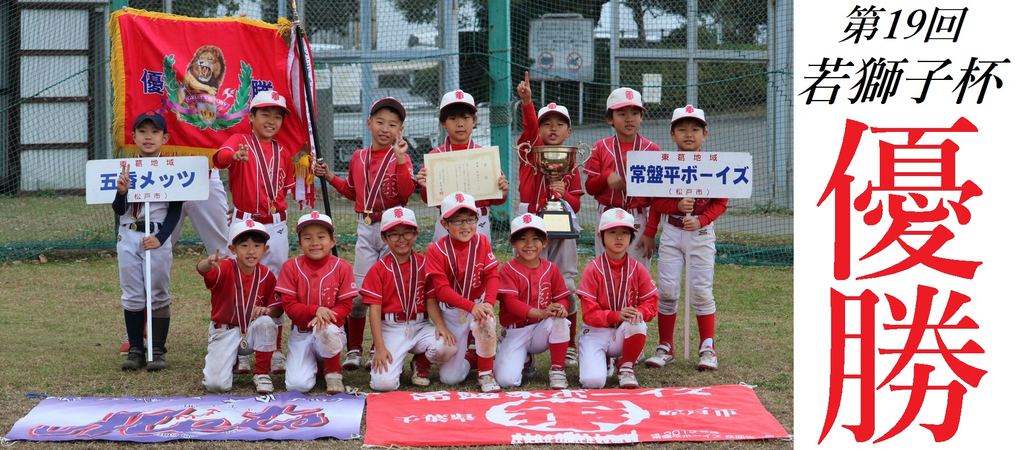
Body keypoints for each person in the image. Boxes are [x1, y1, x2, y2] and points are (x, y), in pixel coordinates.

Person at [314, 97, 417, 372]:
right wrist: (329, 176)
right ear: (369, 123)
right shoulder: (358, 157)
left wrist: (401, 158)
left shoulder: (401, 157)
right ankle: (355, 347)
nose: (385, 129)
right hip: (365, 226)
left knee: (386, 292)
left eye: (393, 124)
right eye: (380, 122)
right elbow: (352, 191)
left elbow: (407, 192)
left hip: (392, 230)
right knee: (358, 293)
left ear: (400, 130)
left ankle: (376, 348)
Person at [212, 89, 295, 374]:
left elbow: (284, 190)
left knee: (276, 283)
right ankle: (241, 346)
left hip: (276, 224)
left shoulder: (283, 153)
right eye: (265, 114)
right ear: (251, 117)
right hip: (245, 223)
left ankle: (275, 347)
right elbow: (221, 157)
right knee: (239, 281)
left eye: (277, 116)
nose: (271, 121)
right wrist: (234, 156)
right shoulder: (241, 140)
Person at [640, 105, 727, 371]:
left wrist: (701, 220)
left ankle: (707, 348)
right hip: (672, 232)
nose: (689, 134)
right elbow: (656, 202)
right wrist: (671, 212)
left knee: (701, 291)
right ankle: (665, 347)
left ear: (705, 134)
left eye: (695, 129)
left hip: (700, 234)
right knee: (667, 290)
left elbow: (721, 202)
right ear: (672, 134)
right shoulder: (664, 164)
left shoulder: (715, 166)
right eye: (682, 129)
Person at [515, 71, 585, 367]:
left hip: (561, 224)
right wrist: (527, 103)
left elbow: (577, 203)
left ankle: (568, 343)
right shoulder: (530, 150)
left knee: (565, 283)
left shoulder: (570, 161)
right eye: (547, 123)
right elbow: (529, 125)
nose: (552, 128)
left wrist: (564, 194)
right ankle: (525, 348)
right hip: (531, 222)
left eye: (559, 124)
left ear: (569, 132)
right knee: (526, 284)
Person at [114, 110, 183, 372]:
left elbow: (175, 209)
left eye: (155, 131)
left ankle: (157, 350)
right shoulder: (123, 168)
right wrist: (122, 192)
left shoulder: (172, 168)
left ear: (165, 138)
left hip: (156, 236)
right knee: (132, 294)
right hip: (128, 233)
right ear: (133, 137)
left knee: (158, 293)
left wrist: (161, 239)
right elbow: (119, 209)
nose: (148, 137)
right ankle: (136, 349)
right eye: (142, 131)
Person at [361, 207, 457, 391]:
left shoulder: (424, 263)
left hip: (420, 325)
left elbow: (430, 300)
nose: (401, 239)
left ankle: (420, 362)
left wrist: (440, 325)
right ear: (384, 238)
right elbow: (374, 310)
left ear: (416, 234)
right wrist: (379, 346)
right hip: (392, 327)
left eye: (407, 233)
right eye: (394, 234)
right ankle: (393, 366)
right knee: (383, 384)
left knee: (448, 345)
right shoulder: (378, 269)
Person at [423, 192, 501, 392]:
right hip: (451, 312)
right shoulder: (435, 250)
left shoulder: (482, 241)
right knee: (450, 379)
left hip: (478, 306)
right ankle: (473, 356)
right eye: (457, 220)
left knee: (485, 322)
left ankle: (485, 372)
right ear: (444, 223)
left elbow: (492, 275)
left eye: (470, 219)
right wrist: (472, 307)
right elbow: (442, 291)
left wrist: (488, 303)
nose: (465, 226)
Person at [197, 220, 283, 394]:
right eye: (244, 245)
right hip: (225, 330)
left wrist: (267, 311)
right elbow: (203, 270)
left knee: (267, 322)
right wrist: (208, 263)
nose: (251, 251)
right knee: (216, 385)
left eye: (257, 246)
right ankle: (232, 364)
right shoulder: (225, 267)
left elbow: (277, 307)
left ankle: (261, 373)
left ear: (265, 249)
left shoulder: (266, 274)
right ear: (233, 249)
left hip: (252, 331)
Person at [276, 212, 357, 394]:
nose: (314, 242)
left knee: (326, 330)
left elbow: (345, 306)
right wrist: (315, 310)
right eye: (307, 238)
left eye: (321, 237)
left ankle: (333, 371)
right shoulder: (290, 267)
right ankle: (318, 366)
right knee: (297, 385)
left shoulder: (342, 266)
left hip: (330, 332)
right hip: (301, 333)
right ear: (299, 243)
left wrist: (324, 317)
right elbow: (289, 306)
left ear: (333, 241)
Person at [577, 208, 658, 389]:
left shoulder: (637, 268)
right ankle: (604, 360)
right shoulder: (593, 269)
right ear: (601, 236)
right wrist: (615, 315)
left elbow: (652, 302)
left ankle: (626, 367)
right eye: (612, 232)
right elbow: (589, 314)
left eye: (624, 233)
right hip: (595, 332)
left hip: (622, 332)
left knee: (637, 322)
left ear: (631, 237)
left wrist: (640, 312)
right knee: (593, 382)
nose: (619, 237)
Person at [415, 90, 510, 242]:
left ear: (474, 120)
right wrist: (425, 187)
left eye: (466, 118)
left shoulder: (484, 157)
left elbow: (497, 200)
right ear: (443, 122)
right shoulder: (435, 157)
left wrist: (502, 191)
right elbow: (429, 199)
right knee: (445, 256)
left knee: (477, 256)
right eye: (453, 118)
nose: (460, 124)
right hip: (447, 221)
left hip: (479, 220)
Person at [583, 87, 661, 270]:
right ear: (610, 119)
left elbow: (657, 198)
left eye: (635, 113)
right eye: (622, 113)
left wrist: (650, 232)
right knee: (606, 271)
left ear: (641, 117)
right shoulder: (600, 147)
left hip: (637, 217)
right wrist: (605, 177)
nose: (629, 119)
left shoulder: (652, 149)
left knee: (637, 271)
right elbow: (591, 188)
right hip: (607, 215)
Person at [494, 213, 572, 390]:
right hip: (515, 332)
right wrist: (542, 313)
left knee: (560, 320)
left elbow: (562, 297)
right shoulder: (507, 269)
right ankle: (526, 360)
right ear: (513, 243)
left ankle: (557, 369)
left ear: (545, 242)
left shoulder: (551, 268)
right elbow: (511, 303)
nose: (529, 244)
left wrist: (561, 307)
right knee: (506, 381)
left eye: (535, 239)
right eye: (522, 239)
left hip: (541, 330)